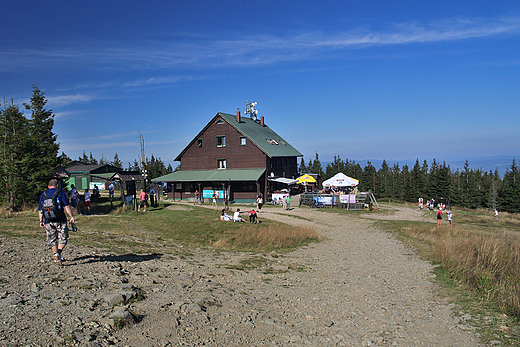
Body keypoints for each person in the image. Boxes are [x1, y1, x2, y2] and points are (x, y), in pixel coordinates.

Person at [38, 179, 75, 265]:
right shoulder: (60, 193)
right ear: (57, 185)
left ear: (48, 186)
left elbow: (40, 210)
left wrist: (41, 221)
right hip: (60, 219)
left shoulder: (43, 195)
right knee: (63, 238)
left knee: (52, 239)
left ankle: (56, 255)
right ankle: (58, 254)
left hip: (48, 220)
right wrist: (71, 216)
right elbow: (66, 206)